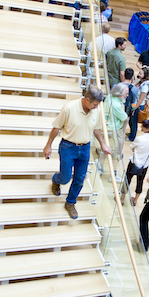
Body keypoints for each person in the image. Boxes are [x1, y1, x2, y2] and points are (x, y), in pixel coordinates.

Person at [43, 85, 112, 220]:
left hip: (85, 148)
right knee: (66, 177)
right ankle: (56, 180)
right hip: (68, 147)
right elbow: (56, 127)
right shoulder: (69, 108)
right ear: (87, 100)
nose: (97, 107)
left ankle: (70, 202)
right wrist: (48, 145)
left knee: (80, 179)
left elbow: (96, 129)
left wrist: (102, 143)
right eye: (95, 104)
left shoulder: (96, 111)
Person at [127, 120, 149, 205]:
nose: (140, 127)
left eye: (142, 126)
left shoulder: (139, 139)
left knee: (127, 180)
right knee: (140, 182)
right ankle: (135, 200)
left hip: (134, 162)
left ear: (147, 128)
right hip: (144, 165)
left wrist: (135, 149)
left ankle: (122, 197)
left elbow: (132, 147)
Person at [129, 68, 149, 141]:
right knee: (131, 120)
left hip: (139, 106)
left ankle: (132, 137)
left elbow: (141, 99)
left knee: (134, 122)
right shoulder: (139, 82)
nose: (138, 74)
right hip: (135, 104)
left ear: (145, 75)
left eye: (141, 73)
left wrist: (134, 109)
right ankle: (131, 133)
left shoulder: (145, 86)